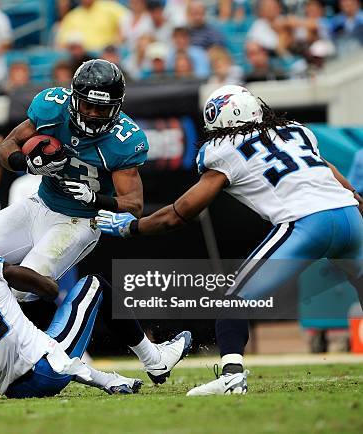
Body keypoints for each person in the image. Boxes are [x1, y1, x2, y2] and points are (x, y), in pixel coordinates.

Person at [0, 59, 184, 395]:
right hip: (38, 205)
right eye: (88, 105)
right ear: (74, 97)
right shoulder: (51, 109)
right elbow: (5, 147)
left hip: (78, 221)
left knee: (26, 283)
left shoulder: (124, 140)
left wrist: (98, 199)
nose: (94, 115)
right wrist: (27, 163)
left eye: (103, 109)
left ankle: (4, 364)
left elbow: (134, 204)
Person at [97, 85, 363, 395]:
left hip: (306, 223)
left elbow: (179, 214)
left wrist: (133, 228)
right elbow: (326, 171)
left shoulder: (223, 150)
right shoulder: (296, 132)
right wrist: (356, 200)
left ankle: (233, 375)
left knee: (234, 299)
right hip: (349, 215)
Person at [0, 234, 192, 397]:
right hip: (46, 371)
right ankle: (156, 361)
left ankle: (130, 370)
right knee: (94, 284)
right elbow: (37, 285)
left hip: (12, 389)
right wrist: (49, 289)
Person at [56, 0, 129, 51]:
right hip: (82, 59)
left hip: (107, 55)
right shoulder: (72, 16)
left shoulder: (110, 8)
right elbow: (61, 44)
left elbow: (129, 21)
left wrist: (118, 39)